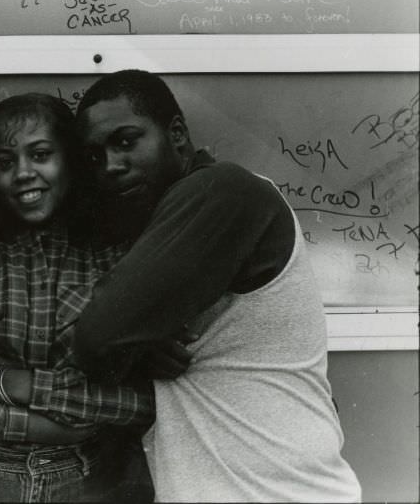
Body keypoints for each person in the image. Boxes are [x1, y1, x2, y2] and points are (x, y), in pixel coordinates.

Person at [71, 69, 362, 502]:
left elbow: (97, 337)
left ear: (177, 134)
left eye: (127, 140)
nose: (111, 165)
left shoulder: (221, 189)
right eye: (95, 157)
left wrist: (131, 341)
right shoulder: (181, 214)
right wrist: (140, 342)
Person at [0, 93, 192, 502]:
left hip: (88, 479)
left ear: (70, 159)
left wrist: (13, 384)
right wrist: (25, 425)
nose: (22, 173)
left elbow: (153, 397)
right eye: (4, 162)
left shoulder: (118, 262)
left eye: (40, 154)